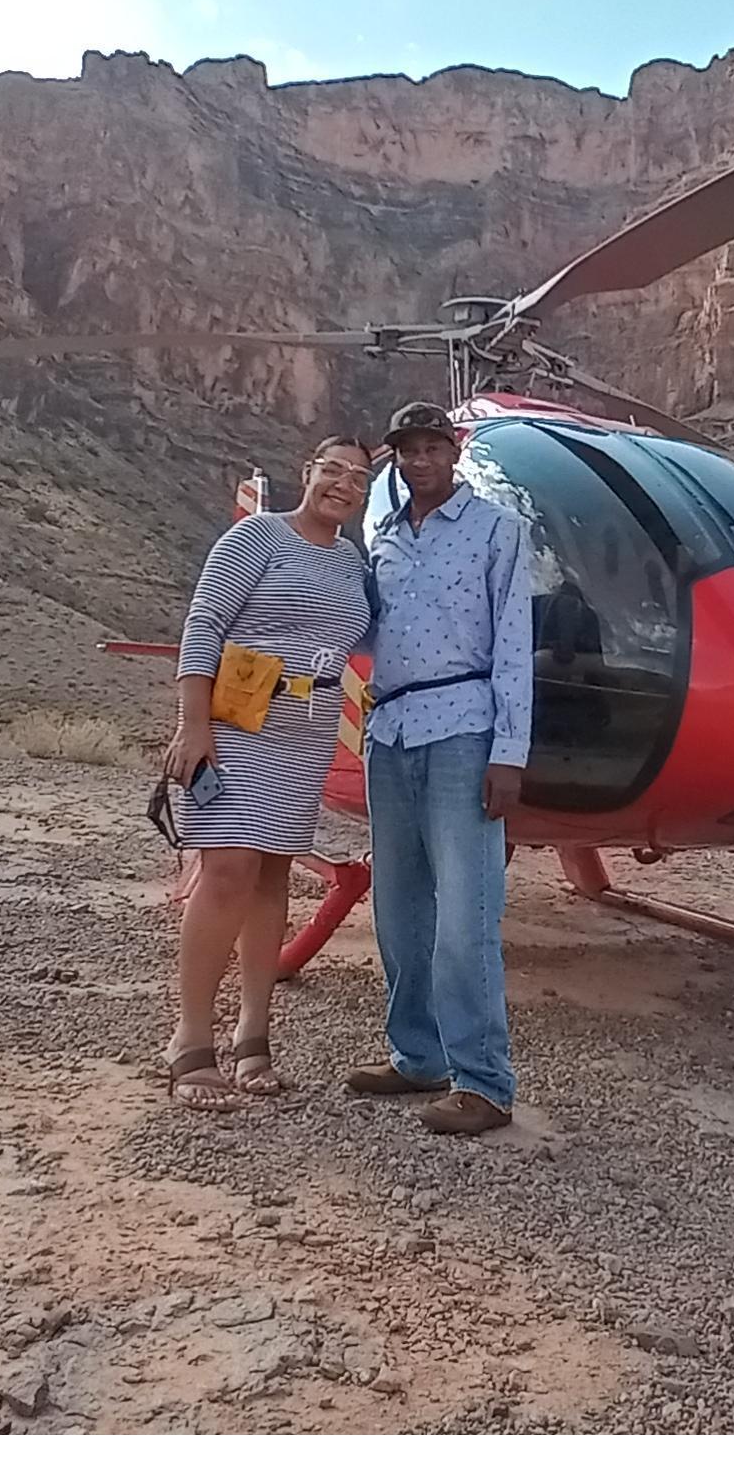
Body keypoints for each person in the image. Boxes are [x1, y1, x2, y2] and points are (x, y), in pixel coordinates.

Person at [158, 436, 375, 1109]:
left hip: (305, 738)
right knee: (226, 873)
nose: (343, 483)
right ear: (307, 473)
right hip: (238, 727)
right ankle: (191, 1040)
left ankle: (254, 1033)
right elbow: (204, 624)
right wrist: (194, 726)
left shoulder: (352, 562)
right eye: (332, 469)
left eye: (359, 478)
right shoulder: (259, 536)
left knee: (273, 873)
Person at [346, 400, 534, 1136]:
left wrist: (509, 752)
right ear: (395, 458)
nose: (420, 460)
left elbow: (515, 644)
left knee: (466, 913)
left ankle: (484, 1082)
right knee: (399, 909)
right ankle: (417, 1054)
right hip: (388, 732)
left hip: (464, 729)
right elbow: (356, 627)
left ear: (455, 451)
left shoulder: (497, 530)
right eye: (407, 450)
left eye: (433, 447)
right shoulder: (384, 540)